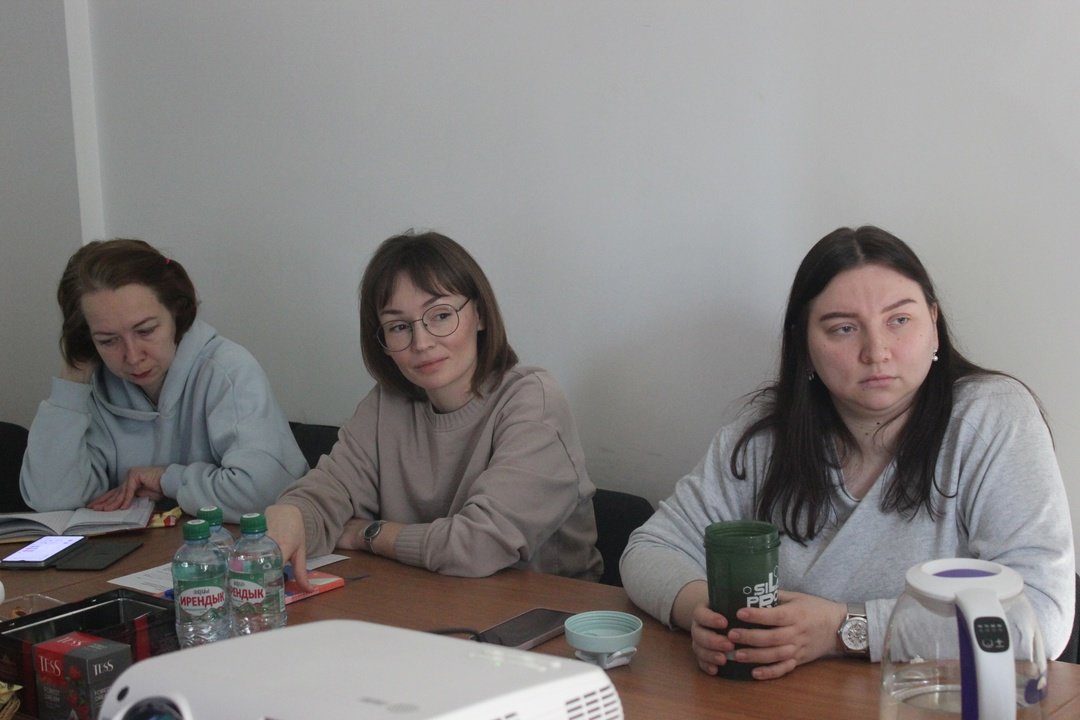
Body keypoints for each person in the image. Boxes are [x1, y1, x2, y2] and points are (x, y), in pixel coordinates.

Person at [620, 225, 1075, 679]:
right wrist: (705, 612)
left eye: (899, 320)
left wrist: (844, 629)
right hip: (784, 698)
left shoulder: (992, 417)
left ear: (934, 325)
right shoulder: (764, 436)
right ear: (804, 343)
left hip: (933, 700)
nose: (876, 352)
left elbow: (1040, 615)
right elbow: (651, 547)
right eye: (843, 329)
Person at [267, 231, 602, 587]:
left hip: (544, 609)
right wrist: (293, 512)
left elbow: (477, 545)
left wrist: (368, 533)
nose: (422, 342)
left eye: (440, 315)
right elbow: (329, 492)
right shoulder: (386, 404)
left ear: (480, 315)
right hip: (428, 596)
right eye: (399, 327)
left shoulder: (534, 402)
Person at [20, 239, 308, 521]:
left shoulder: (227, 370)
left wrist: (166, 479)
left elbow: (264, 494)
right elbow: (51, 500)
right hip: (139, 549)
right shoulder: (92, 386)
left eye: (145, 331)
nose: (133, 357)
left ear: (176, 313)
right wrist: (72, 381)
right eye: (108, 340)